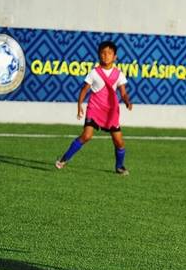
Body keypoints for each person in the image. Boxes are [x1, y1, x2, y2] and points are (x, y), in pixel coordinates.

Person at [55, 40, 133, 175]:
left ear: (115, 57)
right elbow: (84, 90)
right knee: (86, 135)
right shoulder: (94, 73)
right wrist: (79, 105)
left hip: (111, 111)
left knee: (119, 142)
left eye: (109, 53)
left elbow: (123, 93)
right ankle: (63, 159)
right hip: (95, 108)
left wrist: (127, 101)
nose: (106, 55)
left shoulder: (119, 74)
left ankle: (119, 166)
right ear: (99, 55)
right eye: (103, 53)